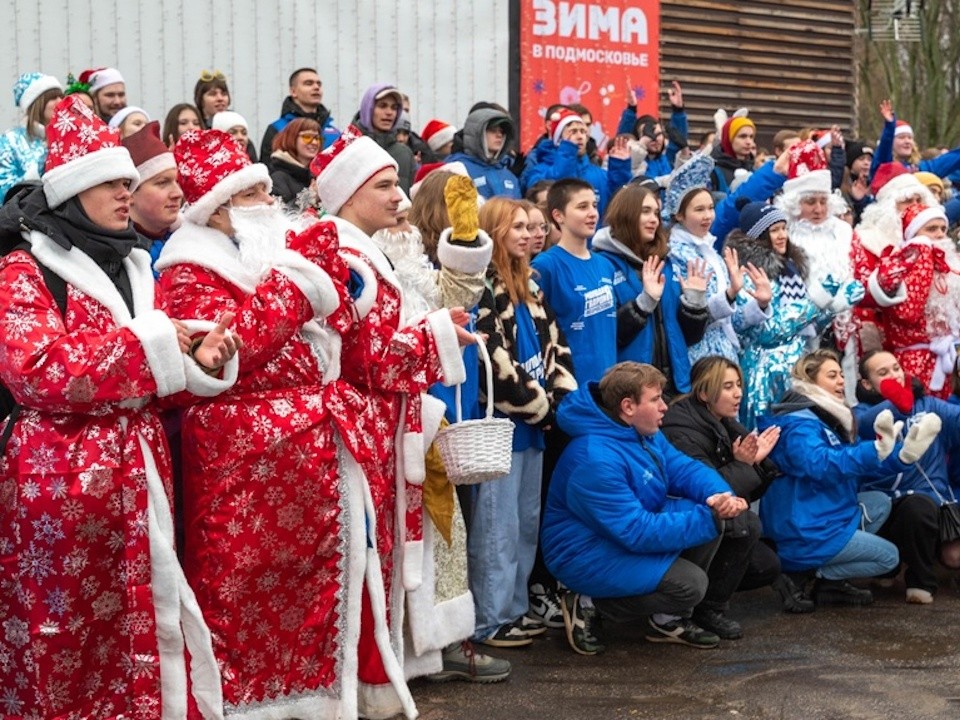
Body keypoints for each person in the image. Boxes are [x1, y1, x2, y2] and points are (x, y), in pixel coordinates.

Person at [0, 95, 239, 719]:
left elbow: (153, 376)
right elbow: (36, 369)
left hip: (136, 476)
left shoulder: (136, 264)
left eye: (128, 181)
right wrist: (158, 344)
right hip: (58, 490)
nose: (125, 193)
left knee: (143, 623)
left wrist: (200, 362)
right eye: (110, 182)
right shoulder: (24, 267)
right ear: (74, 190)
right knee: (66, 643)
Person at [311, 125, 479, 716]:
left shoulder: (374, 251)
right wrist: (437, 336)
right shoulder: (346, 256)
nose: (399, 197)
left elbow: (415, 316)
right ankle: (376, 674)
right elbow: (367, 357)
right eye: (384, 185)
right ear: (349, 192)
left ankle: (405, 658)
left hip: (396, 421)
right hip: (366, 426)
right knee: (373, 556)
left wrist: (438, 325)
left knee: (405, 551)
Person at [541, 362, 748, 654]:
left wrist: (718, 496)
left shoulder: (639, 430)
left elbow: (682, 468)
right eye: (656, 400)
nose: (665, 406)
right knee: (691, 584)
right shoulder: (595, 458)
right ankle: (588, 603)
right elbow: (635, 532)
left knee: (707, 513)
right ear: (628, 406)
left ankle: (667, 619)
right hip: (583, 554)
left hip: (616, 537)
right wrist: (707, 517)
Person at [470, 197, 577, 648]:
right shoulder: (483, 288)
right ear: (495, 232)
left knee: (525, 523)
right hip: (503, 427)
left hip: (534, 425)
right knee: (497, 526)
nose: (526, 235)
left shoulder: (530, 285)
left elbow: (558, 347)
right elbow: (492, 365)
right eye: (515, 227)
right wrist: (542, 406)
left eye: (527, 227)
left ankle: (514, 607)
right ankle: (491, 619)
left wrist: (558, 399)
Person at [758, 349, 941, 605]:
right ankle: (805, 572)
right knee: (889, 559)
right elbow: (821, 464)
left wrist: (901, 456)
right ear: (810, 381)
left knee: (879, 502)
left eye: (842, 375)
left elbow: (850, 465)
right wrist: (874, 449)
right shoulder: (799, 424)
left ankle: (831, 582)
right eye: (832, 376)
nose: (842, 382)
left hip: (816, 511)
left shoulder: (822, 415)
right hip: (802, 528)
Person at [661, 357, 815, 630]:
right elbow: (706, 489)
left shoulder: (723, 421)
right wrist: (744, 465)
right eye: (728, 386)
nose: (739, 393)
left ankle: (704, 597)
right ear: (705, 392)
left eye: (739, 385)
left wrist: (759, 465)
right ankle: (705, 609)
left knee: (767, 565)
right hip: (681, 519)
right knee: (747, 525)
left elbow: (750, 488)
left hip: (715, 516)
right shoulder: (681, 430)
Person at [854, 350, 960, 604]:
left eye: (896, 368)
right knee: (908, 509)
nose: (894, 375)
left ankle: (920, 573)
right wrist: (897, 403)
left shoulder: (929, 404)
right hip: (883, 506)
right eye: (883, 373)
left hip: (932, 505)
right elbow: (867, 425)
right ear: (866, 384)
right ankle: (906, 573)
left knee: (952, 554)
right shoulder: (859, 413)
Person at [592, 182, 710, 397]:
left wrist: (694, 304)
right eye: (645, 212)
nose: (654, 219)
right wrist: (643, 303)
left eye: (656, 212)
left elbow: (691, 338)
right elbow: (608, 335)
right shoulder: (603, 264)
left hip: (676, 386)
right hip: (632, 390)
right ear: (627, 214)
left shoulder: (666, 261)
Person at [727, 201, 836, 427]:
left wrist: (833, 307)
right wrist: (815, 303)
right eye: (774, 230)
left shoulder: (789, 270)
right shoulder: (750, 274)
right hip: (765, 374)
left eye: (784, 228)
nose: (782, 235)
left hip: (795, 368)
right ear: (759, 236)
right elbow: (767, 332)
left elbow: (805, 329)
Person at [775, 141, 867, 404]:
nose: (818, 209)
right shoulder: (787, 234)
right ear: (794, 203)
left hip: (841, 329)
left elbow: (859, 271)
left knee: (842, 392)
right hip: (801, 331)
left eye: (822, 201)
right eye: (810, 202)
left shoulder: (843, 231)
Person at [665, 154, 773, 366]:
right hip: (698, 363)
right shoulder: (675, 255)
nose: (708, 216)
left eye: (710, 208)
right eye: (699, 209)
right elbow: (692, 323)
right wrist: (730, 294)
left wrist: (759, 304)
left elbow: (730, 322)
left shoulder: (712, 253)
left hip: (726, 359)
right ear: (679, 215)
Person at [870, 202, 960, 398]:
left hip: (947, 360)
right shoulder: (900, 265)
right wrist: (923, 254)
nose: (940, 235)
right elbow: (908, 312)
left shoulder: (949, 267)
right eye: (931, 229)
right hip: (914, 362)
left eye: (943, 229)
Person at [521, 107, 631, 220]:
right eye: (573, 131)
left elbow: (619, 202)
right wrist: (568, 151)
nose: (580, 136)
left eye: (583, 131)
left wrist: (620, 167)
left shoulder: (599, 174)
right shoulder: (539, 172)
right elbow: (559, 189)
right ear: (559, 139)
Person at [121, 120, 183, 272]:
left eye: (176, 181)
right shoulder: (119, 257)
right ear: (130, 193)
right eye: (163, 183)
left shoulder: (189, 241)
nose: (178, 193)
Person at [1, 72, 63, 202]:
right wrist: (41, 163)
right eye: (52, 98)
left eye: (61, 96)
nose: (60, 102)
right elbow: (4, 190)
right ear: (37, 104)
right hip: (25, 217)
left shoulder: (67, 135)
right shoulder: (11, 140)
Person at [260, 67, 340, 167]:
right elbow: (268, 168)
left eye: (319, 84)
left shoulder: (335, 133)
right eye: (308, 83)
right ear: (293, 91)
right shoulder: (277, 129)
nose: (316, 87)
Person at [442, 106, 521, 200]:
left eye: (502, 132)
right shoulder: (456, 170)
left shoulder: (509, 176)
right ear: (477, 133)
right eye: (493, 130)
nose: (499, 135)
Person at [352, 83, 415, 193]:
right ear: (368, 109)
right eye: (382, 106)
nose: (389, 112)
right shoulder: (348, 147)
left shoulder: (405, 153)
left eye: (394, 108)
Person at [193, 70, 257, 161]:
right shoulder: (194, 136)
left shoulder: (242, 141)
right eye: (212, 94)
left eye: (224, 94)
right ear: (200, 99)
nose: (220, 98)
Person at [268, 117, 321, 207]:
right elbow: (282, 214)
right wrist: (309, 197)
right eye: (307, 137)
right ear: (291, 139)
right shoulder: (278, 178)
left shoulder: (317, 176)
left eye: (317, 138)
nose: (314, 142)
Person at [710, 109, 756, 195]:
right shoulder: (713, 171)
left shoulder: (754, 170)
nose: (749, 142)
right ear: (728, 139)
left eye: (751, 137)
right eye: (742, 136)